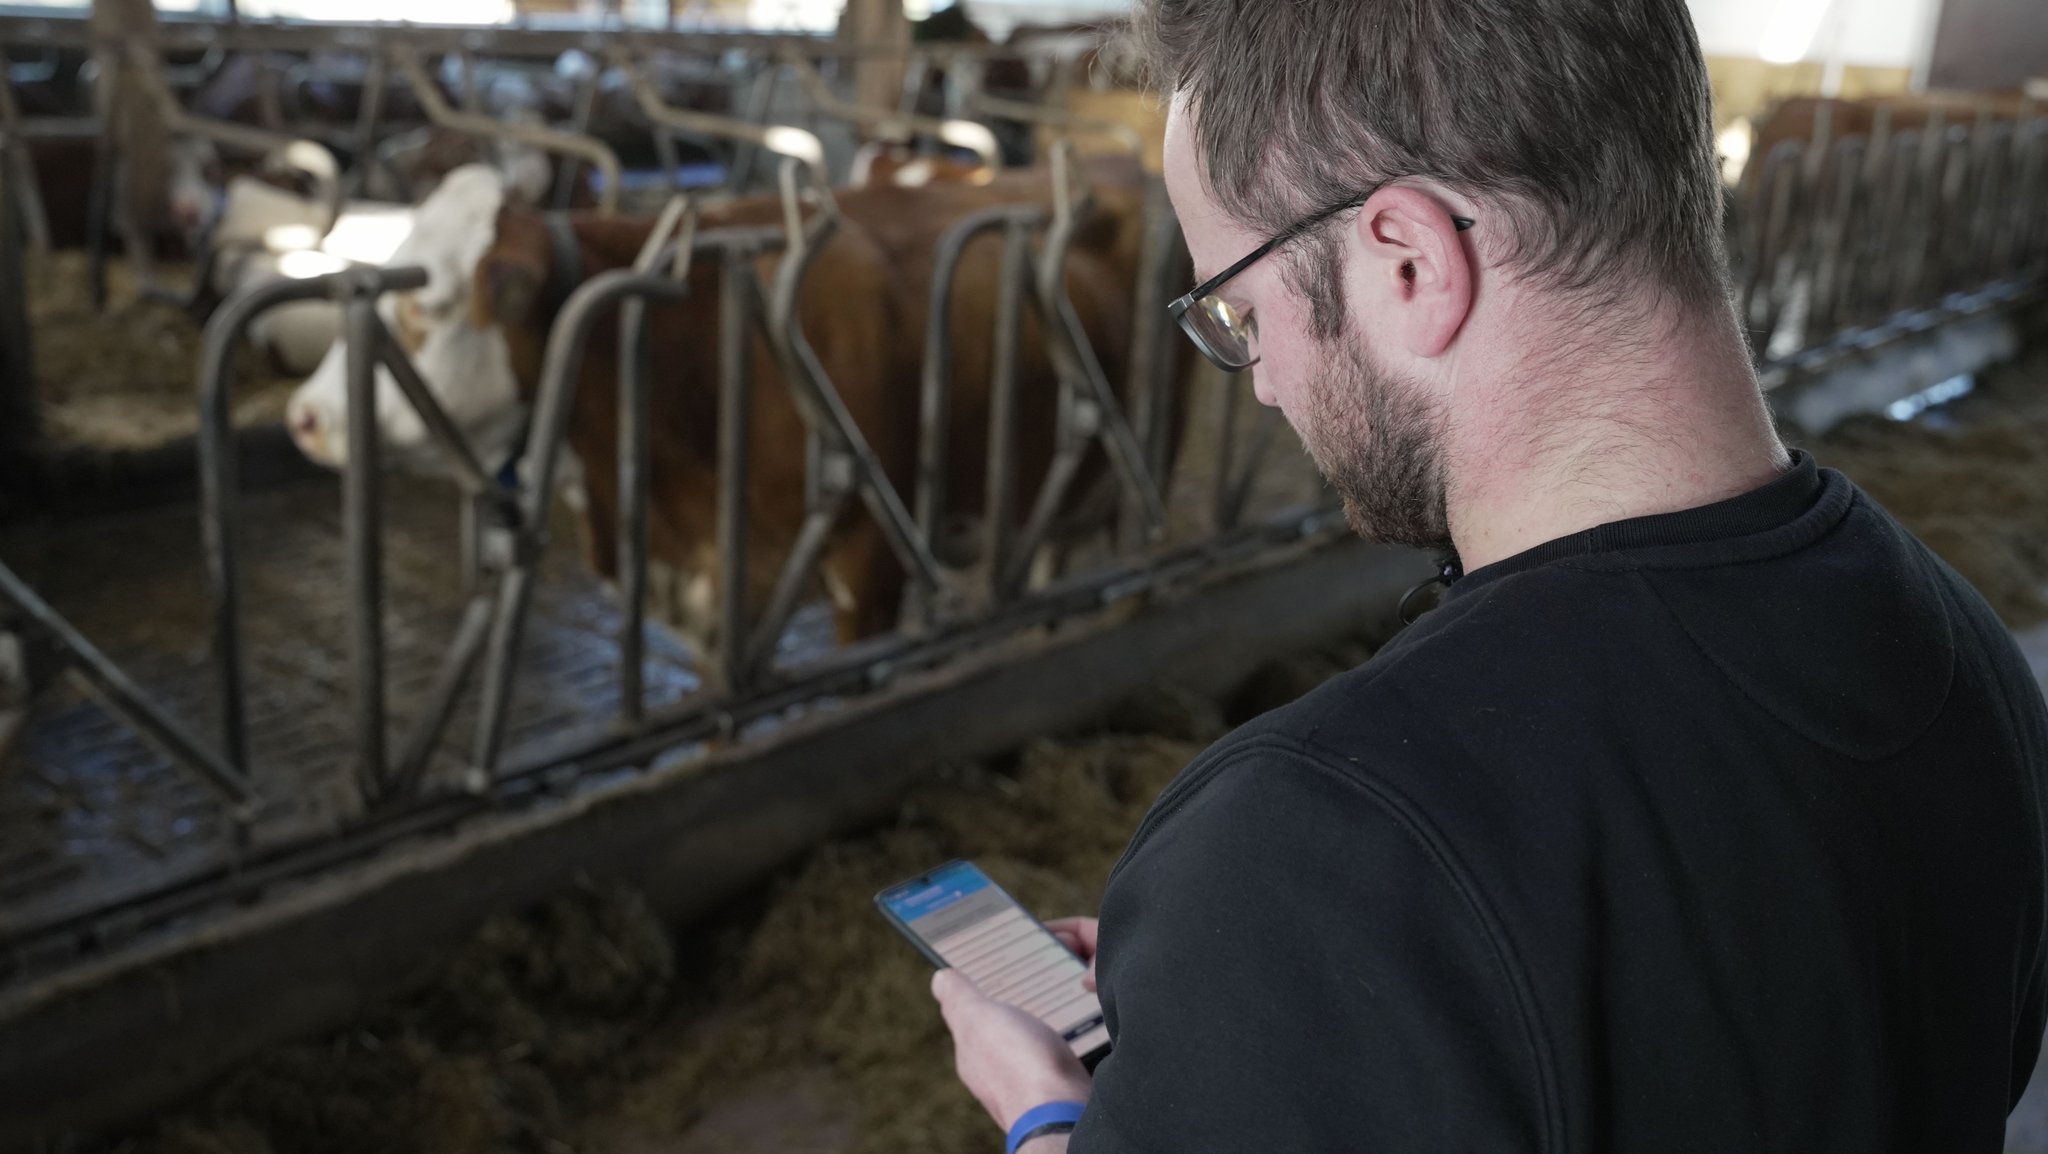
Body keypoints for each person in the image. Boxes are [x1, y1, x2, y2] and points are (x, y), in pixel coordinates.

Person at [929, 0, 2048, 1150]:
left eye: (1240, 310)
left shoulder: (1322, 837)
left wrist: (1053, 1117)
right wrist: (1250, 998)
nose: (1257, 381)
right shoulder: (1959, 651)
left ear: (1410, 261)